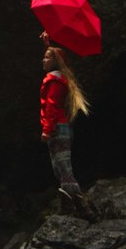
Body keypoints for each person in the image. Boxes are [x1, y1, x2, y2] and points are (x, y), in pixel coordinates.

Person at [39, 41, 90, 208]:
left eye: (46, 58)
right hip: (61, 127)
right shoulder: (61, 78)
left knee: (64, 168)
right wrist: (48, 42)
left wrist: (47, 130)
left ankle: (80, 204)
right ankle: (73, 203)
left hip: (57, 129)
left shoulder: (54, 81)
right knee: (61, 168)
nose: (43, 60)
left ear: (54, 62)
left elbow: (51, 106)